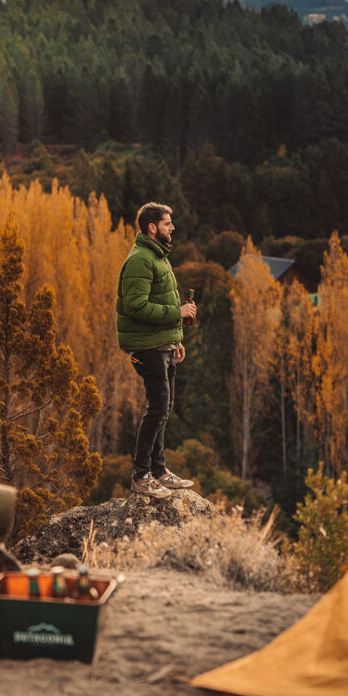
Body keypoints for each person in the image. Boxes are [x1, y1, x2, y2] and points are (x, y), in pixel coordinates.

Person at [116, 202, 198, 498]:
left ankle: (159, 470)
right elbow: (134, 306)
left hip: (161, 344)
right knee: (158, 408)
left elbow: (159, 303)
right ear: (152, 227)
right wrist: (178, 311)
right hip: (146, 346)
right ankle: (141, 475)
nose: (172, 228)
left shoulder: (157, 256)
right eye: (167, 223)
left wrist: (175, 339)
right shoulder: (141, 259)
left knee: (164, 408)